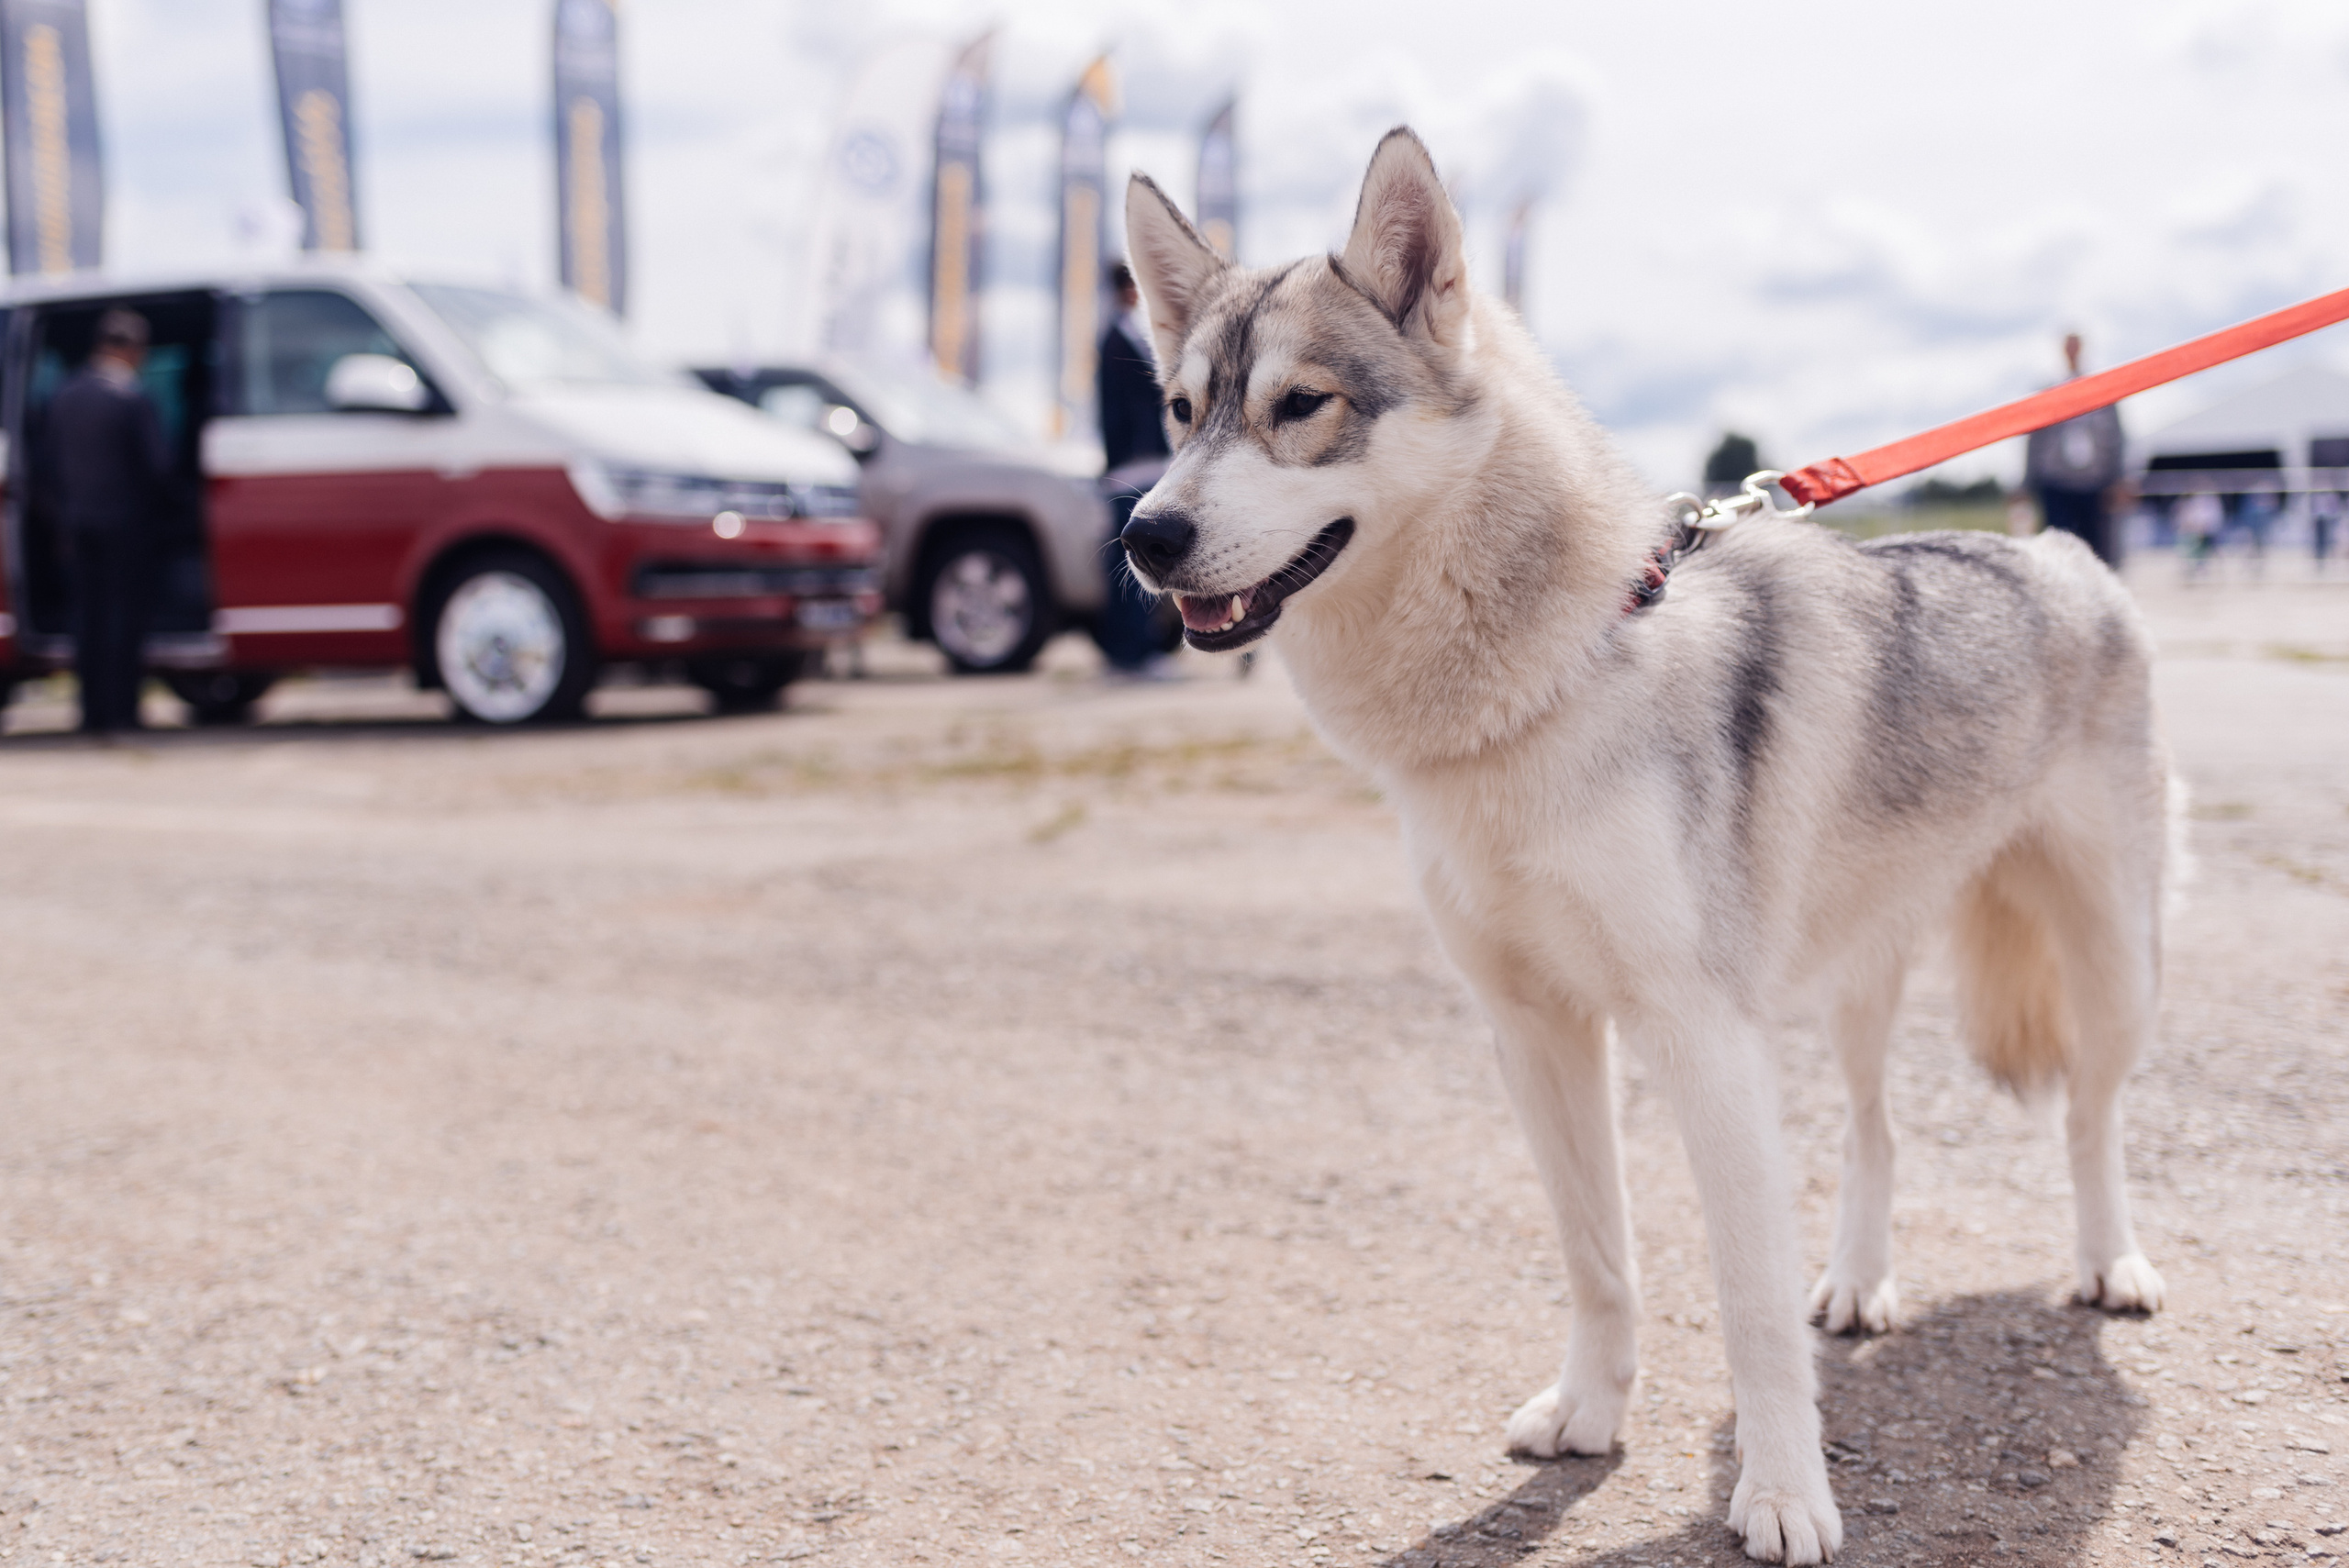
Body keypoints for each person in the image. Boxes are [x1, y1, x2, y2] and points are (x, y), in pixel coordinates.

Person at [49, 308, 173, 733]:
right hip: (127, 525)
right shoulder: (131, 398)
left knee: (88, 620)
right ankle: (123, 711)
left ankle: (90, 712)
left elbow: (46, 468)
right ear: (129, 348)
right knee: (126, 618)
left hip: (77, 524)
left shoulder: (64, 395)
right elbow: (157, 468)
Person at [1094, 261, 1177, 676]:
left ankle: (1137, 649)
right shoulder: (1118, 336)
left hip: (1150, 465)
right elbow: (1117, 412)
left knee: (1144, 561)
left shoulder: (1133, 331)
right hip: (1132, 468)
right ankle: (1132, 653)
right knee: (1133, 564)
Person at [2023, 331, 2126, 566]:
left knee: (2097, 548)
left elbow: (2117, 436)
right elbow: (2034, 439)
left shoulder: (2101, 390)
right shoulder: (2048, 391)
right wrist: (2026, 482)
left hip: (2095, 481)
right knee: (2057, 547)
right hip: (2056, 481)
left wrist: (2119, 478)